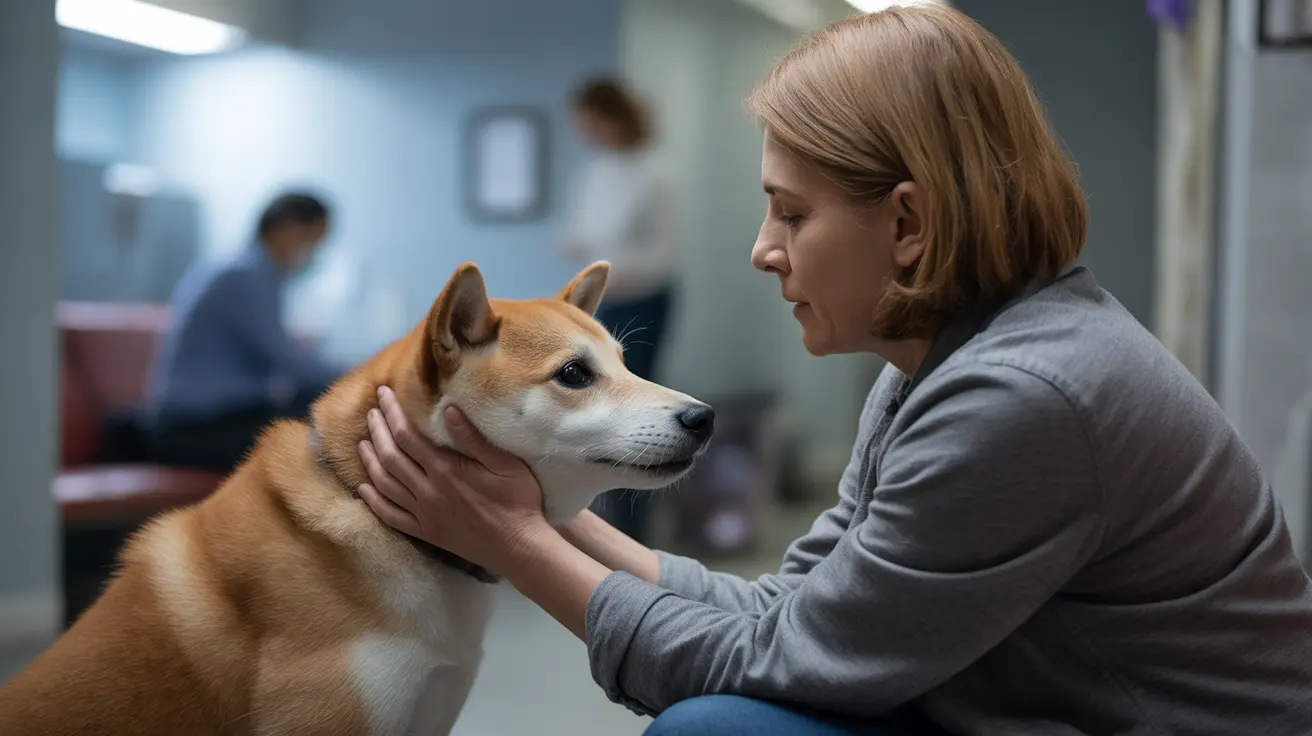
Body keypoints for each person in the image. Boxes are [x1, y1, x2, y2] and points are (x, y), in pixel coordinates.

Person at [353, 6, 1312, 736]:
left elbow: (784, 657)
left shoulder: (1022, 396)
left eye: (792, 213)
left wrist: (514, 541)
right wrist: (545, 513)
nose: (763, 249)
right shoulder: (941, 366)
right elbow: (793, 609)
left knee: (716, 731)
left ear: (909, 223)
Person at [145, 191, 343, 474]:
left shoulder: (254, 273)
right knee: (316, 434)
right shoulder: (245, 277)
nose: (314, 251)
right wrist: (352, 372)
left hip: (214, 418)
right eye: (312, 239)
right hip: (193, 427)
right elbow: (283, 357)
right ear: (285, 227)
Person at [561, 77, 679, 544]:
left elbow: (663, 254)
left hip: (642, 300)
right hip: (602, 300)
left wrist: (624, 271)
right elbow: (583, 232)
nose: (584, 131)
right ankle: (593, 527)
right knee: (592, 407)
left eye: (589, 121)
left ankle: (632, 536)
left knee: (637, 413)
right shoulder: (596, 172)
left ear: (612, 117)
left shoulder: (654, 172)